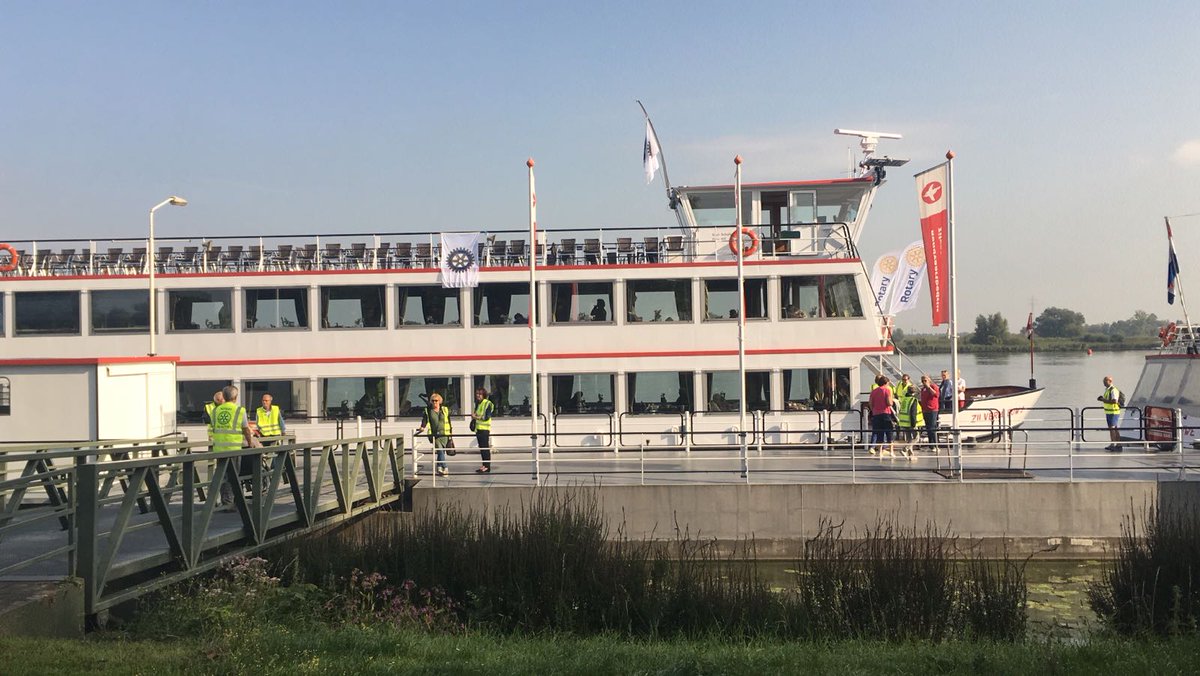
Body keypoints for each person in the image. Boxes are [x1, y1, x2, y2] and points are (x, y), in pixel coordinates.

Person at [209, 385, 262, 510]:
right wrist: (250, 442)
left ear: (224, 396)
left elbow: (215, 427)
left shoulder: (215, 411)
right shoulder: (239, 410)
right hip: (233, 448)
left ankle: (225, 502)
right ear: (236, 397)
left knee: (222, 475)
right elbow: (246, 429)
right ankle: (233, 503)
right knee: (234, 476)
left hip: (219, 448)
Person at [417, 392, 454, 476]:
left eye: (436, 401)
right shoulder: (428, 410)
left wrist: (450, 434)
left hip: (445, 434)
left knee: (441, 452)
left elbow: (449, 422)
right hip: (435, 435)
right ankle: (445, 467)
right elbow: (425, 420)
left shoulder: (445, 409)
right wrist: (422, 427)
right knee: (440, 450)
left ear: (439, 401)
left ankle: (439, 467)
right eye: (433, 401)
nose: (434, 402)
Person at [868, 375, 895, 456]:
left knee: (879, 432)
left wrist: (874, 410)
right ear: (886, 383)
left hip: (876, 414)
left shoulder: (874, 391)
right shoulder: (887, 390)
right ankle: (891, 451)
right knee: (889, 433)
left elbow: (870, 403)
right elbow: (889, 403)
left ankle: (880, 452)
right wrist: (893, 402)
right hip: (886, 413)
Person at [471, 387, 496, 473]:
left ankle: (487, 466)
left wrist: (476, 417)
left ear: (484, 395)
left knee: (485, 448)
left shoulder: (487, 403)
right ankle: (484, 465)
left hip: (484, 429)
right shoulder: (478, 403)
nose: (478, 395)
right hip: (478, 429)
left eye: (480, 394)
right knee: (482, 448)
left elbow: (486, 417)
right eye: (477, 394)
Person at [1098, 375, 1123, 451]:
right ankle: (1118, 444)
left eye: (1105, 381)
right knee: (1114, 428)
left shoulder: (1113, 390)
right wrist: (1103, 399)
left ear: (1110, 381)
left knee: (1112, 428)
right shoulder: (1108, 390)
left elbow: (1114, 401)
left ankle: (1113, 444)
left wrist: (1103, 400)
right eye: (1103, 381)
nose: (1104, 382)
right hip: (1110, 412)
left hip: (1113, 412)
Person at [919, 374, 941, 449]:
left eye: (925, 380)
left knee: (932, 427)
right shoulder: (923, 389)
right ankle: (931, 445)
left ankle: (935, 445)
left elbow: (936, 395)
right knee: (928, 428)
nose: (924, 382)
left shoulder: (934, 387)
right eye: (922, 381)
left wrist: (928, 387)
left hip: (932, 410)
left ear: (929, 380)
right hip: (925, 410)